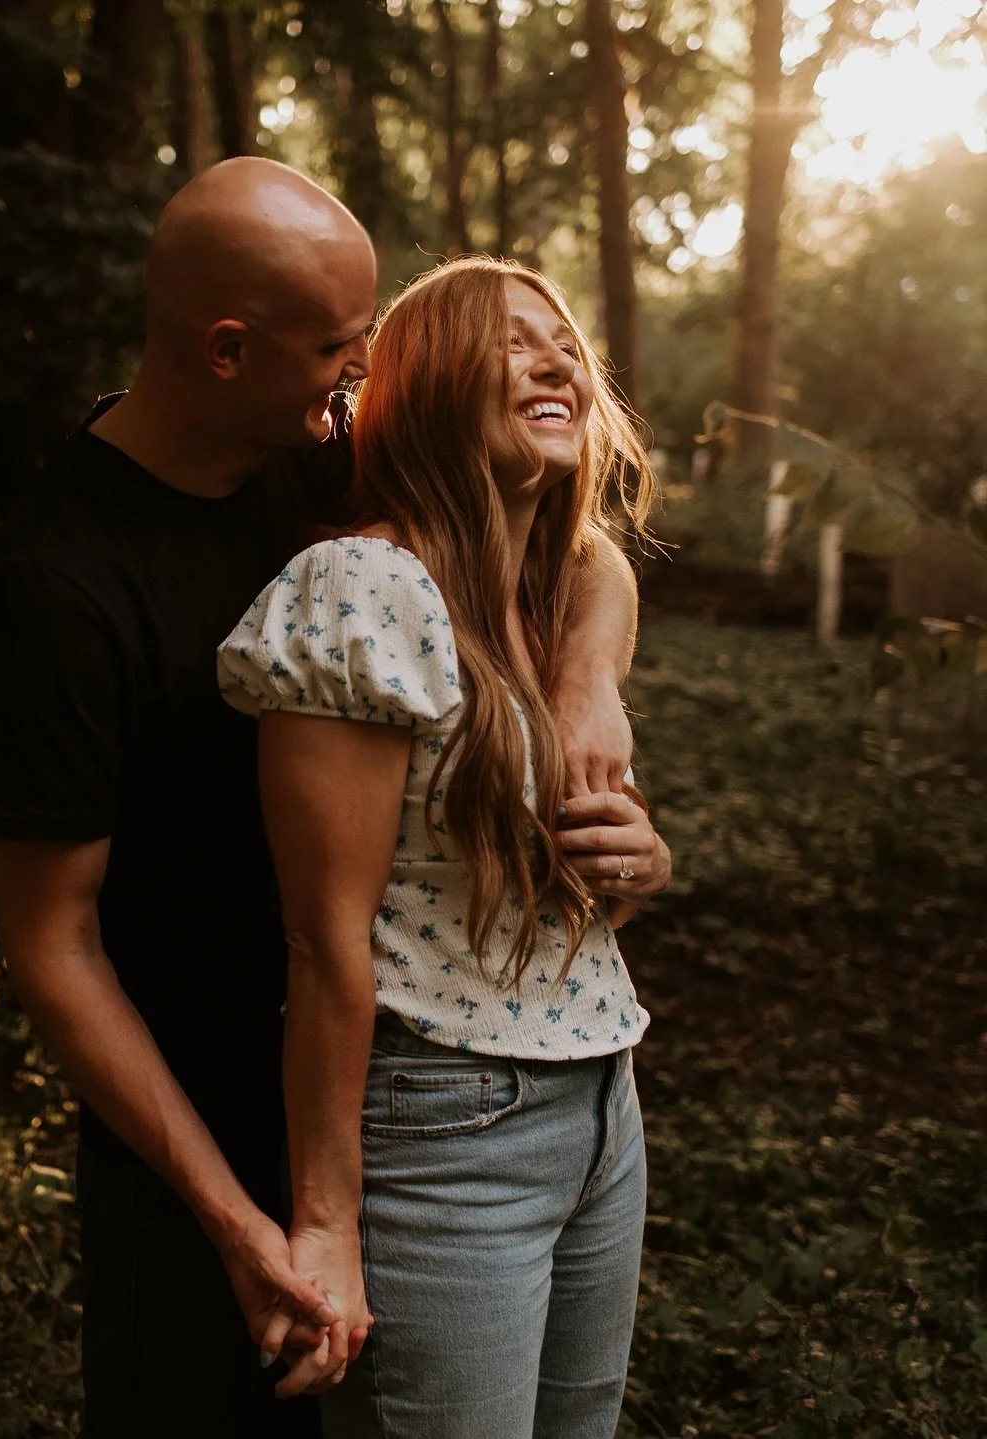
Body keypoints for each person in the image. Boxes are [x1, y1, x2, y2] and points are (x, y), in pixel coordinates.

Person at [0, 160, 642, 1437]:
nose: (366, 368)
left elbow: (569, 534)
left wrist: (588, 689)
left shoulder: (311, 455)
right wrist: (237, 1214)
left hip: (379, 1083)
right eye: (338, 343)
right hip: (197, 1116)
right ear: (229, 348)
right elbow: (54, 943)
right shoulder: (56, 589)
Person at [217, 254, 673, 1437]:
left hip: (599, 1106)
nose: (557, 356)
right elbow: (322, 941)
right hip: (443, 1128)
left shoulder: (537, 596)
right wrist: (327, 1221)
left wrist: (637, 861)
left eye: (563, 338)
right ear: (423, 387)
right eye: (511, 339)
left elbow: (600, 563)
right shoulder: (363, 587)